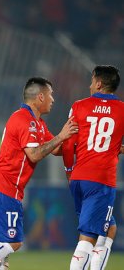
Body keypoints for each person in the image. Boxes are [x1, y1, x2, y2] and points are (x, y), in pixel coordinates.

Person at [0, 77, 79, 270]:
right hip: (2, 187)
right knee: (13, 242)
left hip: (5, 188)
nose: (53, 99)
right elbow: (35, 154)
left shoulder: (38, 123)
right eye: (51, 95)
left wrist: (83, 145)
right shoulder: (23, 119)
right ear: (40, 96)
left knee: (4, 248)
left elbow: (55, 149)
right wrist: (62, 135)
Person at [62, 65, 124, 270]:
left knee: (109, 227)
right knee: (87, 237)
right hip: (102, 180)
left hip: (79, 178)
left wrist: (69, 172)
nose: (89, 86)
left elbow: (69, 144)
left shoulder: (79, 106)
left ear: (99, 84)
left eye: (91, 81)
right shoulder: (121, 110)